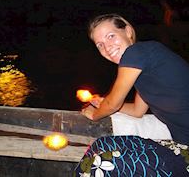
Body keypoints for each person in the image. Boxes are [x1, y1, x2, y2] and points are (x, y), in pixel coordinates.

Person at [74, 13, 189, 176]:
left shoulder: (137, 52)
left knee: (102, 165)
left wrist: (95, 114)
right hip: (182, 146)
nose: (107, 47)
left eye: (111, 36)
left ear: (128, 31)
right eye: (100, 44)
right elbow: (137, 110)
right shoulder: (144, 70)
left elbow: (113, 105)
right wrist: (103, 102)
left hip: (185, 153)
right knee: (103, 145)